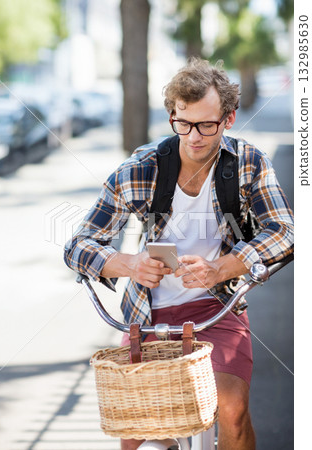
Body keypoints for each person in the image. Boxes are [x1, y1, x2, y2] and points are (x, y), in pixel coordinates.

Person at [64, 58, 294, 450]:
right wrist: (129, 264)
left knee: (232, 408)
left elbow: (285, 232)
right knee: (135, 430)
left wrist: (220, 268)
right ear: (172, 116)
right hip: (147, 317)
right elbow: (79, 245)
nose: (194, 137)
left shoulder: (248, 163)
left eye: (207, 125)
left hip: (217, 310)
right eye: (183, 124)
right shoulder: (141, 169)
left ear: (229, 119)